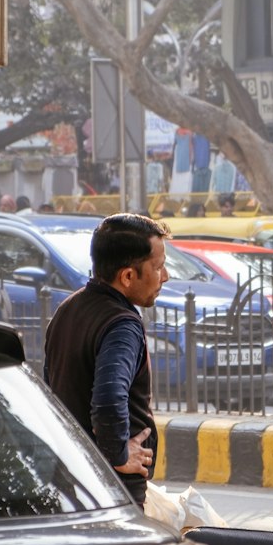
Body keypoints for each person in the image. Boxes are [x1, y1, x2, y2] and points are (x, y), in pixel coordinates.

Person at [44, 213, 169, 508]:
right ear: (127, 276)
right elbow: (109, 398)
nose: (165, 277)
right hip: (111, 491)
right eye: (158, 267)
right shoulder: (122, 325)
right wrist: (119, 456)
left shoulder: (67, 310)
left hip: (71, 477)